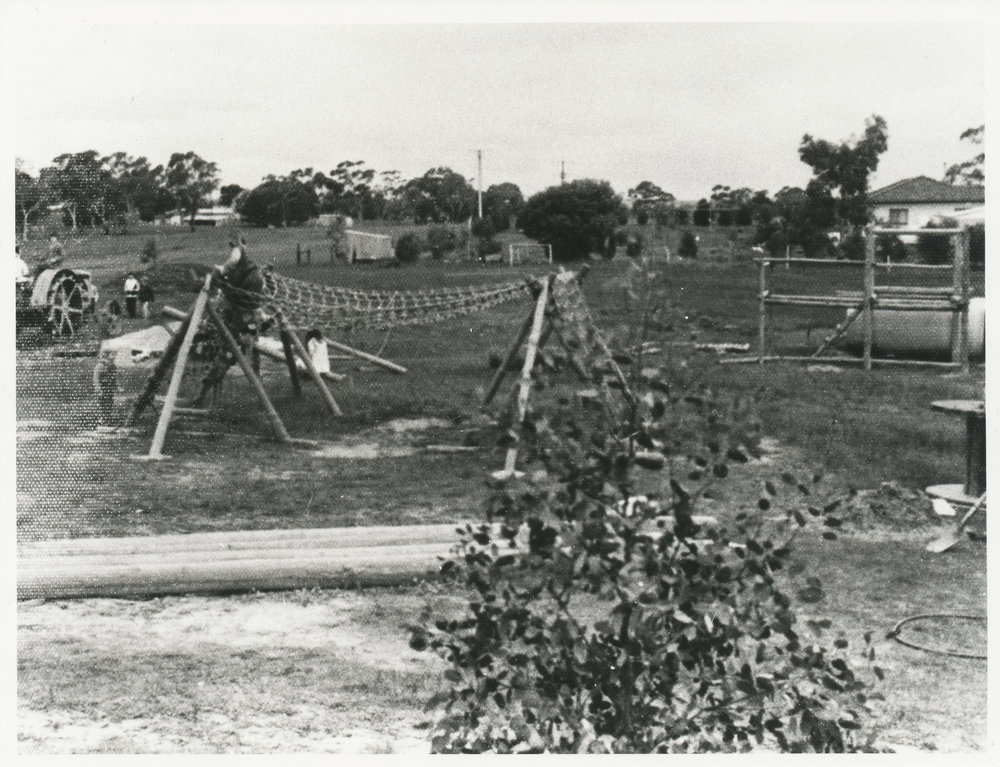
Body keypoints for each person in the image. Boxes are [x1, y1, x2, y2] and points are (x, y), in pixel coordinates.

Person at [93, 348, 118, 426]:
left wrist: (116, 386)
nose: (114, 357)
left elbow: (113, 378)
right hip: (103, 388)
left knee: (109, 404)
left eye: (114, 355)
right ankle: (102, 421)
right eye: (112, 355)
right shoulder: (100, 366)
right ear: (106, 356)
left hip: (109, 388)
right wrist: (99, 389)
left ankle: (107, 420)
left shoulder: (113, 366)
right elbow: (96, 379)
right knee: (103, 405)